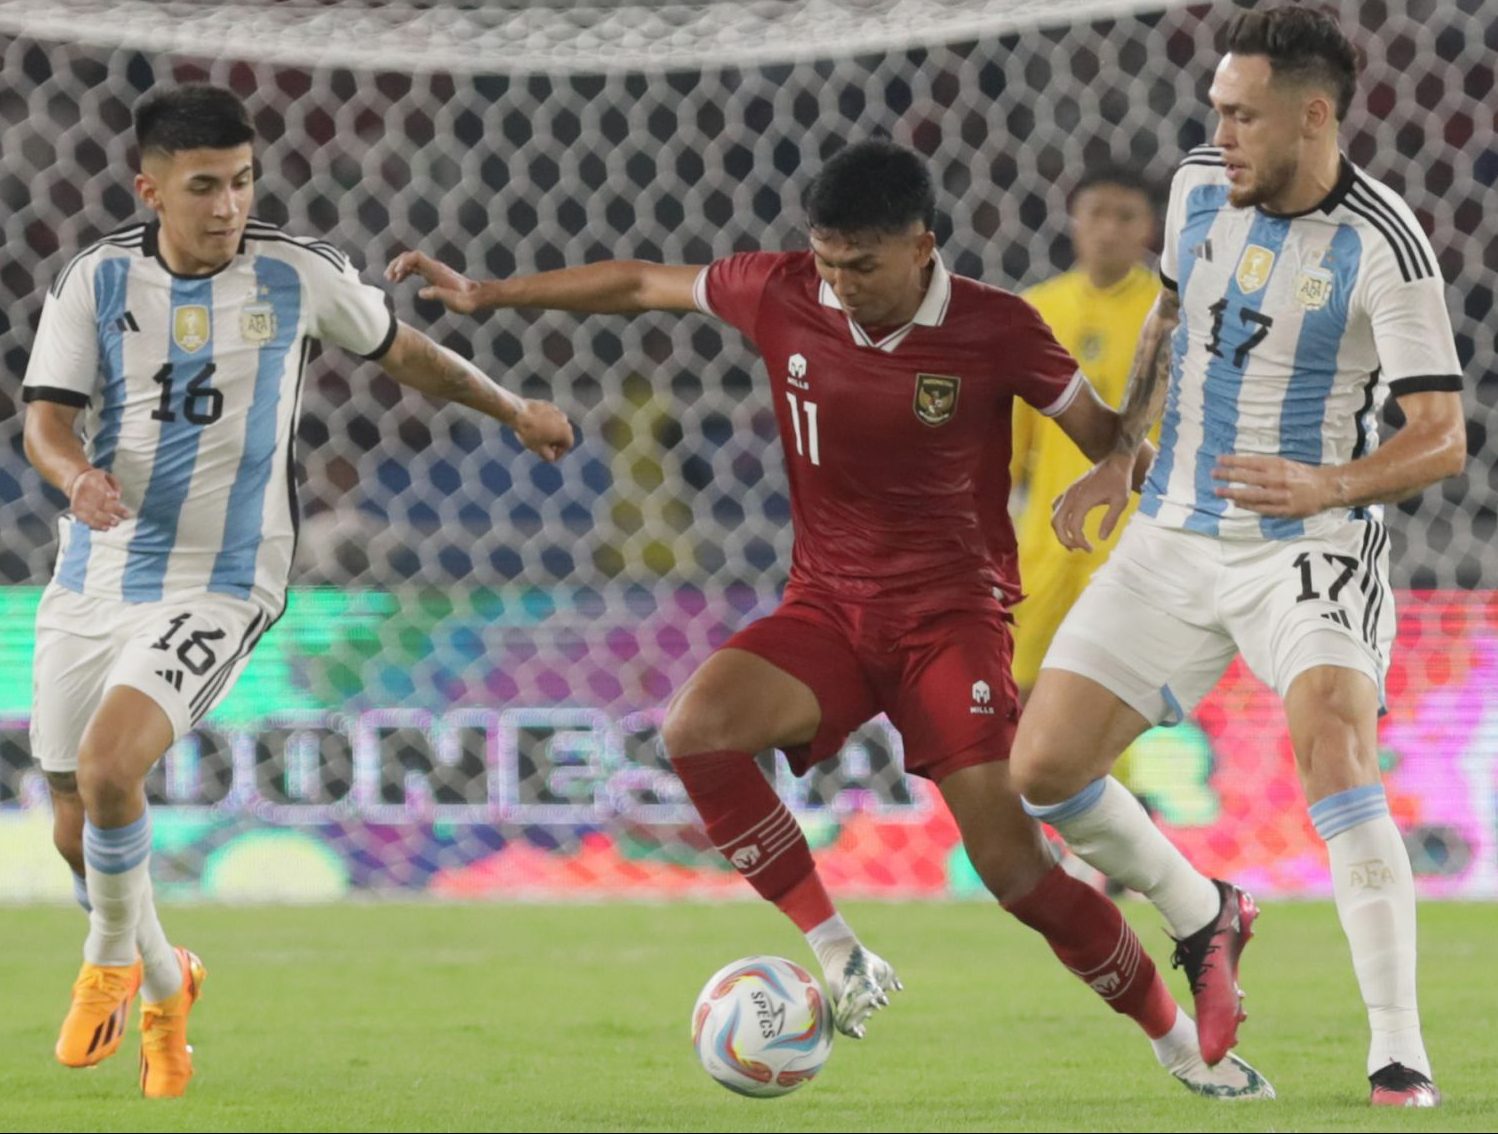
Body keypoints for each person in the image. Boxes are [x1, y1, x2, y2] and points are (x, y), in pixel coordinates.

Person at [389, 139, 1272, 1098]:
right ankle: (837, 947)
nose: (840, 283)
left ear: (923, 246)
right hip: (828, 609)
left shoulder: (997, 329)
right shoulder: (782, 291)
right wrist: (490, 294)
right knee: (699, 730)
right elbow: (644, 281)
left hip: (952, 623)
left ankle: (1179, 1042)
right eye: (827, 258)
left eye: (862, 263)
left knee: (1017, 873)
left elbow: (1108, 435)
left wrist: (1126, 453)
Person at [22, 83, 573, 1098]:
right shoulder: (94, 282)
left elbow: (408, 354)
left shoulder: (296, 273)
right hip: (95, 575)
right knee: (72, 818)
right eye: (202, 187)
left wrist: (511, 408)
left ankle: (104, 961)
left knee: (109, 769)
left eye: (240, 181)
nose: (227, 204)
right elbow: (44, 421)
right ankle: (163, 982)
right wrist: (76, 477)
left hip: (226, 579)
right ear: (150, 189)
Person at [1009, 7, 1465, 1108]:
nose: (1219, 133)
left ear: (1313, 116)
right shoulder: (1197, 188)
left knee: (1330, 741)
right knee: (1043, 771)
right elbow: (1172, 315)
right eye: (1214, 109)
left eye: (1241, 115)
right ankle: (1205, 910)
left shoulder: (1385, 245)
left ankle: (1396, 1050)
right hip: (1169, 528)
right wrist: (1120, 450)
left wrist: (1331, 483)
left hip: (1304, 542)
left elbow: (1441, 435)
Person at [1010, 164, 1159, 702]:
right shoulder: (1034, 310)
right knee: (1020, 702)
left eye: (1126, 216)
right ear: (1073, 220)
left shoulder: (1172, 316)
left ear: (1150, 228)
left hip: (1135, 548)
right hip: (1044, 544)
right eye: (1097, 213)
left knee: (1106, 707)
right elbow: (1007, 448)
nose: (1110, 229)